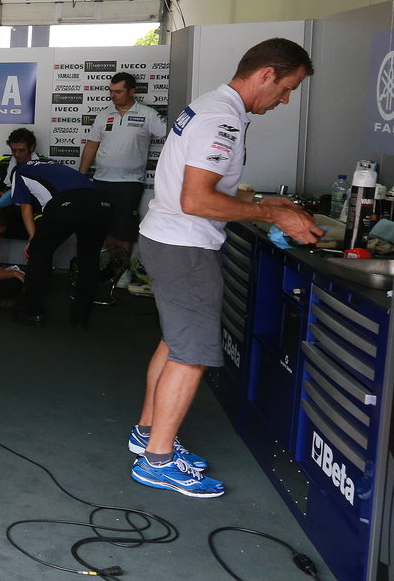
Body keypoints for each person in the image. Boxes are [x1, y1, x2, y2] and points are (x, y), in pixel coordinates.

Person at [130, 38, 321, 498]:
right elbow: (196, 199)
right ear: (267, 74)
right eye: (288, 88)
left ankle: (147, 435)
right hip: (185, 246)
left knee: (176, 343)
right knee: (191, 354)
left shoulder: (213, 105)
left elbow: (197, 187)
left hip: (166, 237)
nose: (285, 100)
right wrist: (275, 215)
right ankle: (157, 460)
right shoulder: (223, 117)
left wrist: (258, 201)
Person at [6, 128, 113, 329]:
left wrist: (32, 239)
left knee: (38, 252)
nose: (17, 155)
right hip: (100, 202)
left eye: (21, 150)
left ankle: (31, 312)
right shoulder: (53, 165)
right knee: (89, 260)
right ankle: (80, 318)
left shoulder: (20, 171)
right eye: (14, 151)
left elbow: (26, 208)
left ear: (31, 148)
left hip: (69, 203)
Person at [78, 71, 167, 302]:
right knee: (106, 226)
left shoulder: (147, 115)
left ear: (132, 92)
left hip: (129, 183)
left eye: (118, 91)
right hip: (101, 180)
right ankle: (112, 266)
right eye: (110, 91)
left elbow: (172, 138)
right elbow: (91, 147)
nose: (113, 95)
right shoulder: (103, 114)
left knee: (124, 229)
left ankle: (123, 271)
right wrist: (80, 177)